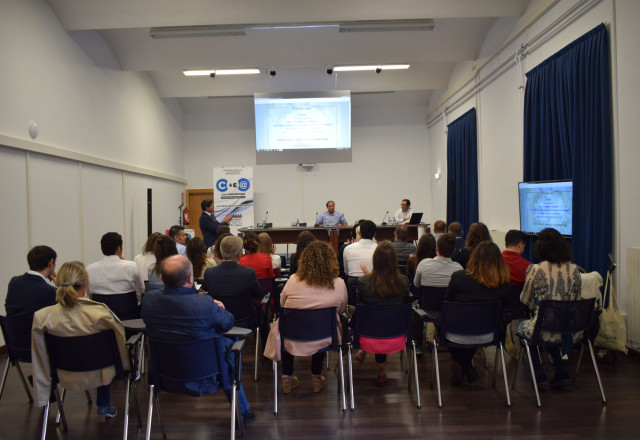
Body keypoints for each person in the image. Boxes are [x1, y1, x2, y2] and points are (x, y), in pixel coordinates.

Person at [141, 255, 255, 426]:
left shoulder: (148, 300)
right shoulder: (205, 303)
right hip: (212, 376)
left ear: (162, 278)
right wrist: (219, 308)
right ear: (190, 277)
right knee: (230, 352)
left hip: (165, 374)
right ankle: (243, 411)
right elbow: (227, 324)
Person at [31, 261, 129, 419]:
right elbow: (120, 343)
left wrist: (42, 392)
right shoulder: (101, 313)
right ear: (85, 283)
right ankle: (103, 405)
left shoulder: (42, 317)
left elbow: (40, 356)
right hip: (100, 373)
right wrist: (126, 368)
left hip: (63, 374)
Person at [264, 241, 347, 393]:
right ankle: (316, 378)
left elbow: (283, 305)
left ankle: (287, 378)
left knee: (287, 324)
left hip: (291, 335)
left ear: (304, 260)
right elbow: (341, 310)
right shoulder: (339, 283)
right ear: (331, 261)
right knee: (321, 325)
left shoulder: (293, 279)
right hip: (324, 336)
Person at [518, 228, 582, 390]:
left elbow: (526, 299)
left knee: (525, 330)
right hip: (570, 331)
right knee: (551, 325)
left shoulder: (536, 270)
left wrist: (536, 306)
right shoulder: (575, 270)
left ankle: (539, 375)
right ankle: (561, 371)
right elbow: (576, 300)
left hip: (543, 328)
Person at [446, 241, 510, 385]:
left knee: (442, 322)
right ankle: (467, 366)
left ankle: (465, 365)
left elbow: (447, 303)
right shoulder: (504, 283)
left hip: (456, 333)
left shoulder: (459, 277)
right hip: (488, 334)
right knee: (475, 324)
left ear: (473, 258)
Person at [356, 242, 412, 384]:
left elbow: (364, 303)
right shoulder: (403, 281)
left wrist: (368, 275)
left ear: (375, 260)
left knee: (371, 316)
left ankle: (364, 352)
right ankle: (381, 369)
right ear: (394, 261)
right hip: (397, 335)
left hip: (368, 334)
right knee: (384, 319)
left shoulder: (364, 282)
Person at [201, 236, 263, 307]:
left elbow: (206, 293)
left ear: (221, 252)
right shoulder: (249, 273)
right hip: (244, 316)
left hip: (219, 316)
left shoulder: (209, 273)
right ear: (239, 254)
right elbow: (257, 294)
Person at [86, 232, 144, 302]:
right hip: (128, 311)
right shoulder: (132, 267)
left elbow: (88, 295)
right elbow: (141, 292)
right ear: (118, 248)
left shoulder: (89, 269)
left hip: (99, 312)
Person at [5, 245, 57, 320]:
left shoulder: (14, 282)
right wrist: (62, 285)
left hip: (12, 331)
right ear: (51, 263)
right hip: (36, 331)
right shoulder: (50, 291)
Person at [343, 220, 378, 304]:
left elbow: (346, 272)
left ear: (359, 233)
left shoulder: (348, 248)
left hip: (353, 287)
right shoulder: (379, 249)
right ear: (374, 234)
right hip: (374, 287)